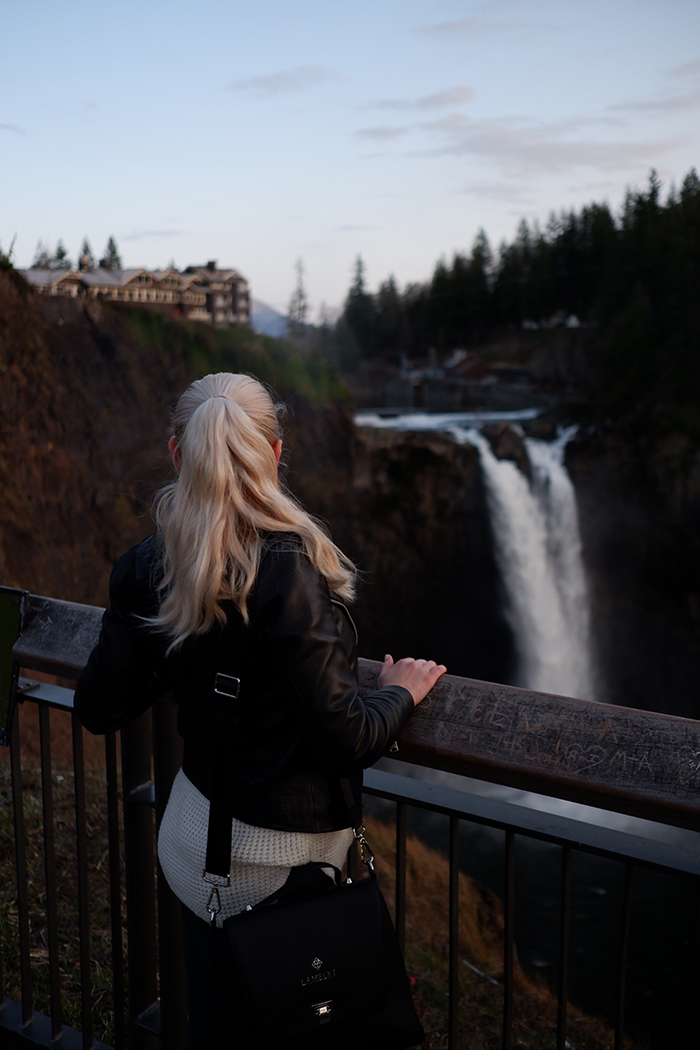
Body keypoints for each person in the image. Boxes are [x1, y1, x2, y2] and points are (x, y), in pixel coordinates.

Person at [74, 371, 446, 1048]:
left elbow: (100, 706)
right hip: (277, 873)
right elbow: (348, 737)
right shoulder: (286, 571)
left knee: (220, 1021)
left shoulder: (148, 567)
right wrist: (404, 690)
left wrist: (175, 648)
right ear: (276, 453)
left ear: (176, 455)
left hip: (192, 853)